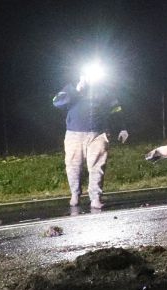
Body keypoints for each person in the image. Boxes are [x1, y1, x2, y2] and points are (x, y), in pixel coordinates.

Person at [52, 71, 128, 211]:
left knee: (97, 166)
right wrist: (76, 90)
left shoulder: (105, 91)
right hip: (74, 134)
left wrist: (122, 128)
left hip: (98, 134)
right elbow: (57, 102)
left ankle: (95, 198)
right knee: (73, 166)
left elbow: (116, 110)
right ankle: (75, 195)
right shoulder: (71, 89)